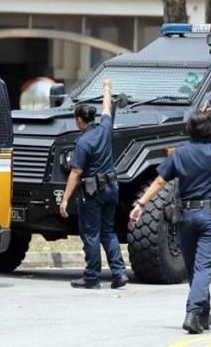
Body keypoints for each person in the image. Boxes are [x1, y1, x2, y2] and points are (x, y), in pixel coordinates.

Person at [129, 106, 211, 334]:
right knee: (203, 268)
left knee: (194, 267)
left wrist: (141, 204)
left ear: (189, 130)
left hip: (186, 217)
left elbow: (160, 182)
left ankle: (204, 313)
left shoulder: (180, 153)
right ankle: (193, 312)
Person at [59, 77, 128, 290]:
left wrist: (64, 200)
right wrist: (107, 88)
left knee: (91, 233)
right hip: (112, 188)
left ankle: (91, 277)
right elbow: (107, 108)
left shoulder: (83, 142)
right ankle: (119, 273)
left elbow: (75, 173)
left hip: (93, 192)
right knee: (108, 231)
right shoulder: (105, 129)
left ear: (80, 120)